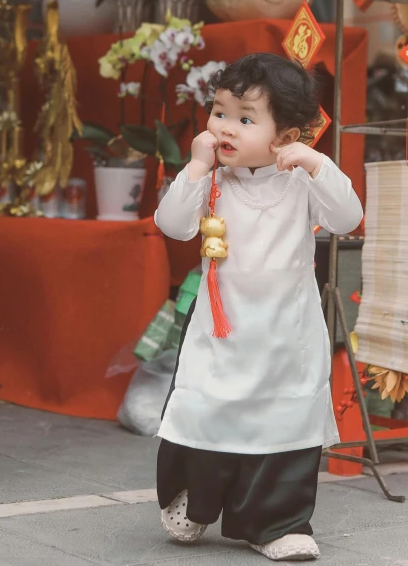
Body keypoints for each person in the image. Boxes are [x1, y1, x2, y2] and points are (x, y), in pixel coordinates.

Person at [154, 53, 363, 562]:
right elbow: (173, 224)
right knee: (207, 409)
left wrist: (318, 163)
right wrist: (198, 166)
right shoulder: (212, 179)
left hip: (284, 336)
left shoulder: (300, 180)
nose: (225, 128)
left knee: (282, 424)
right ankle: (195, 501)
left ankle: (275, 522)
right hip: (222, 333)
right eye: (220, 112)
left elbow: (346, 217)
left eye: (245, 119)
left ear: (286, 136)